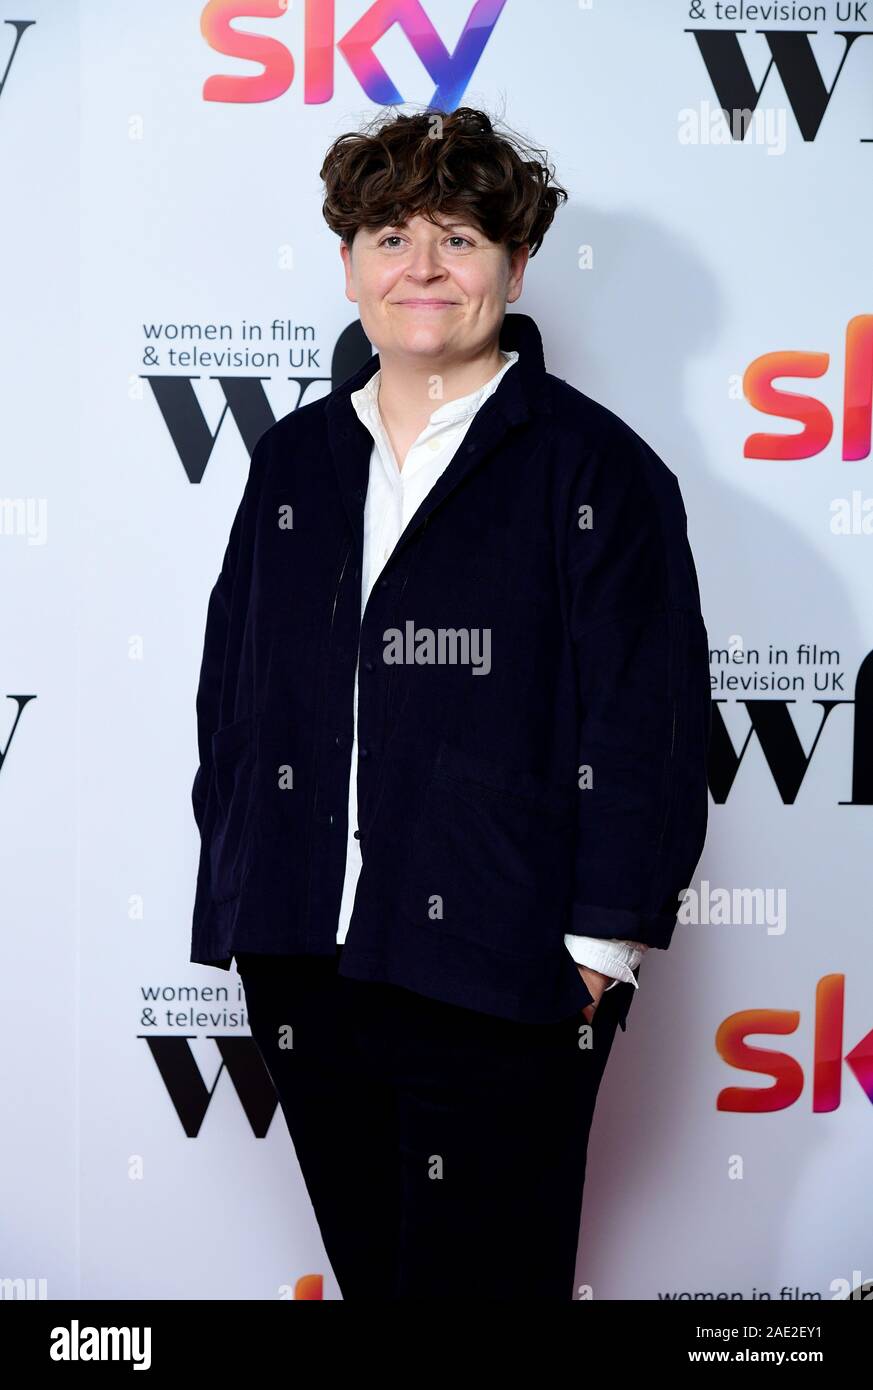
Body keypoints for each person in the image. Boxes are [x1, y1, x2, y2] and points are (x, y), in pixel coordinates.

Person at [190, 106, 711, 1300]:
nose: (420, 267)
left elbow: (651, 726)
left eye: (458, 237)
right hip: (308, 966)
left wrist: (593, 954)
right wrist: (249, 874)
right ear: (349, 265)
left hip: (506, 977)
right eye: (388, 235)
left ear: (515, 266)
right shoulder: (293, 460)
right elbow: (237, 689)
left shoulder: (600, 472)